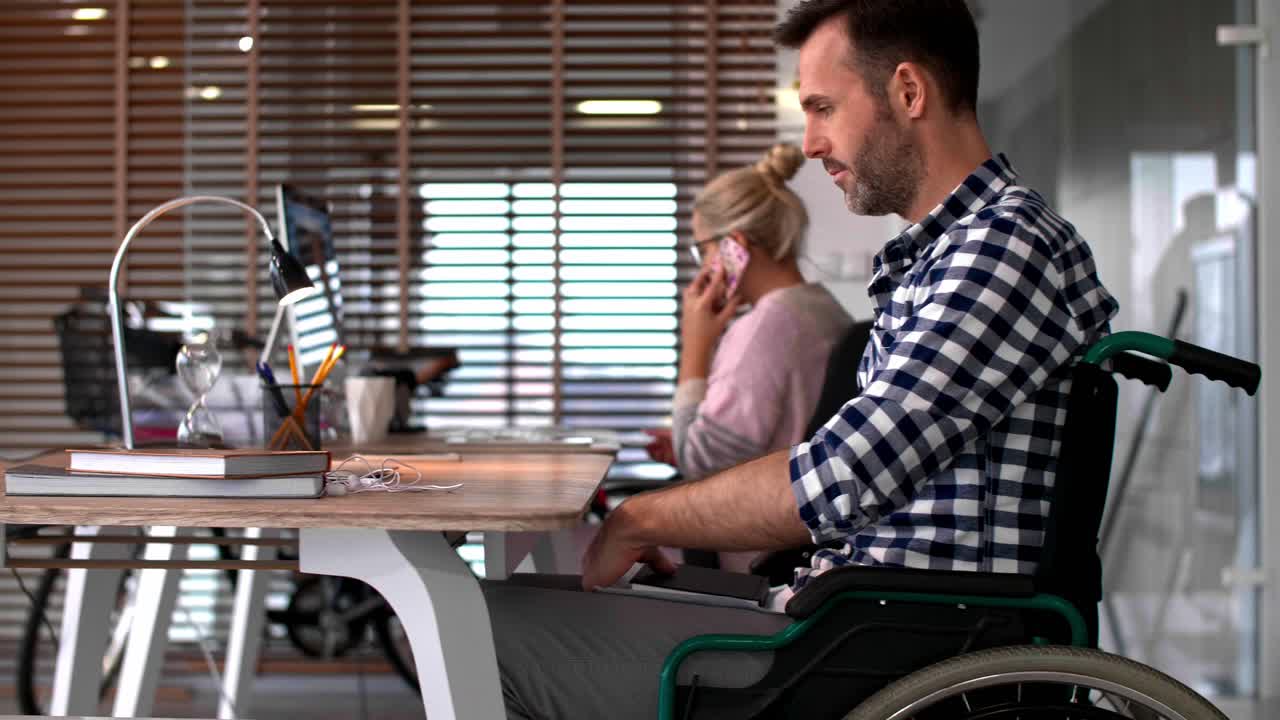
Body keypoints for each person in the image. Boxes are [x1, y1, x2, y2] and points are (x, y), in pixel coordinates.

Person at [483, 2, 1120, 717]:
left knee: (472, 633)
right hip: (853, 618)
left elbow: (840, 474)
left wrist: (641, 520)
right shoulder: (945, 258)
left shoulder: (1002, 250)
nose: (811, 143)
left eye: (822, 108)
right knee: (498, 607)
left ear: (909, 93)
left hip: (889, 645)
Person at [646, 143, 852, 504]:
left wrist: (695, 347)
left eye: (704, 250)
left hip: (756, 544)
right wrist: (688, 437)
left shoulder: (762, 328)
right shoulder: (825, 309)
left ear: (733, 246)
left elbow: (702, 466)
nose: (702, 265)